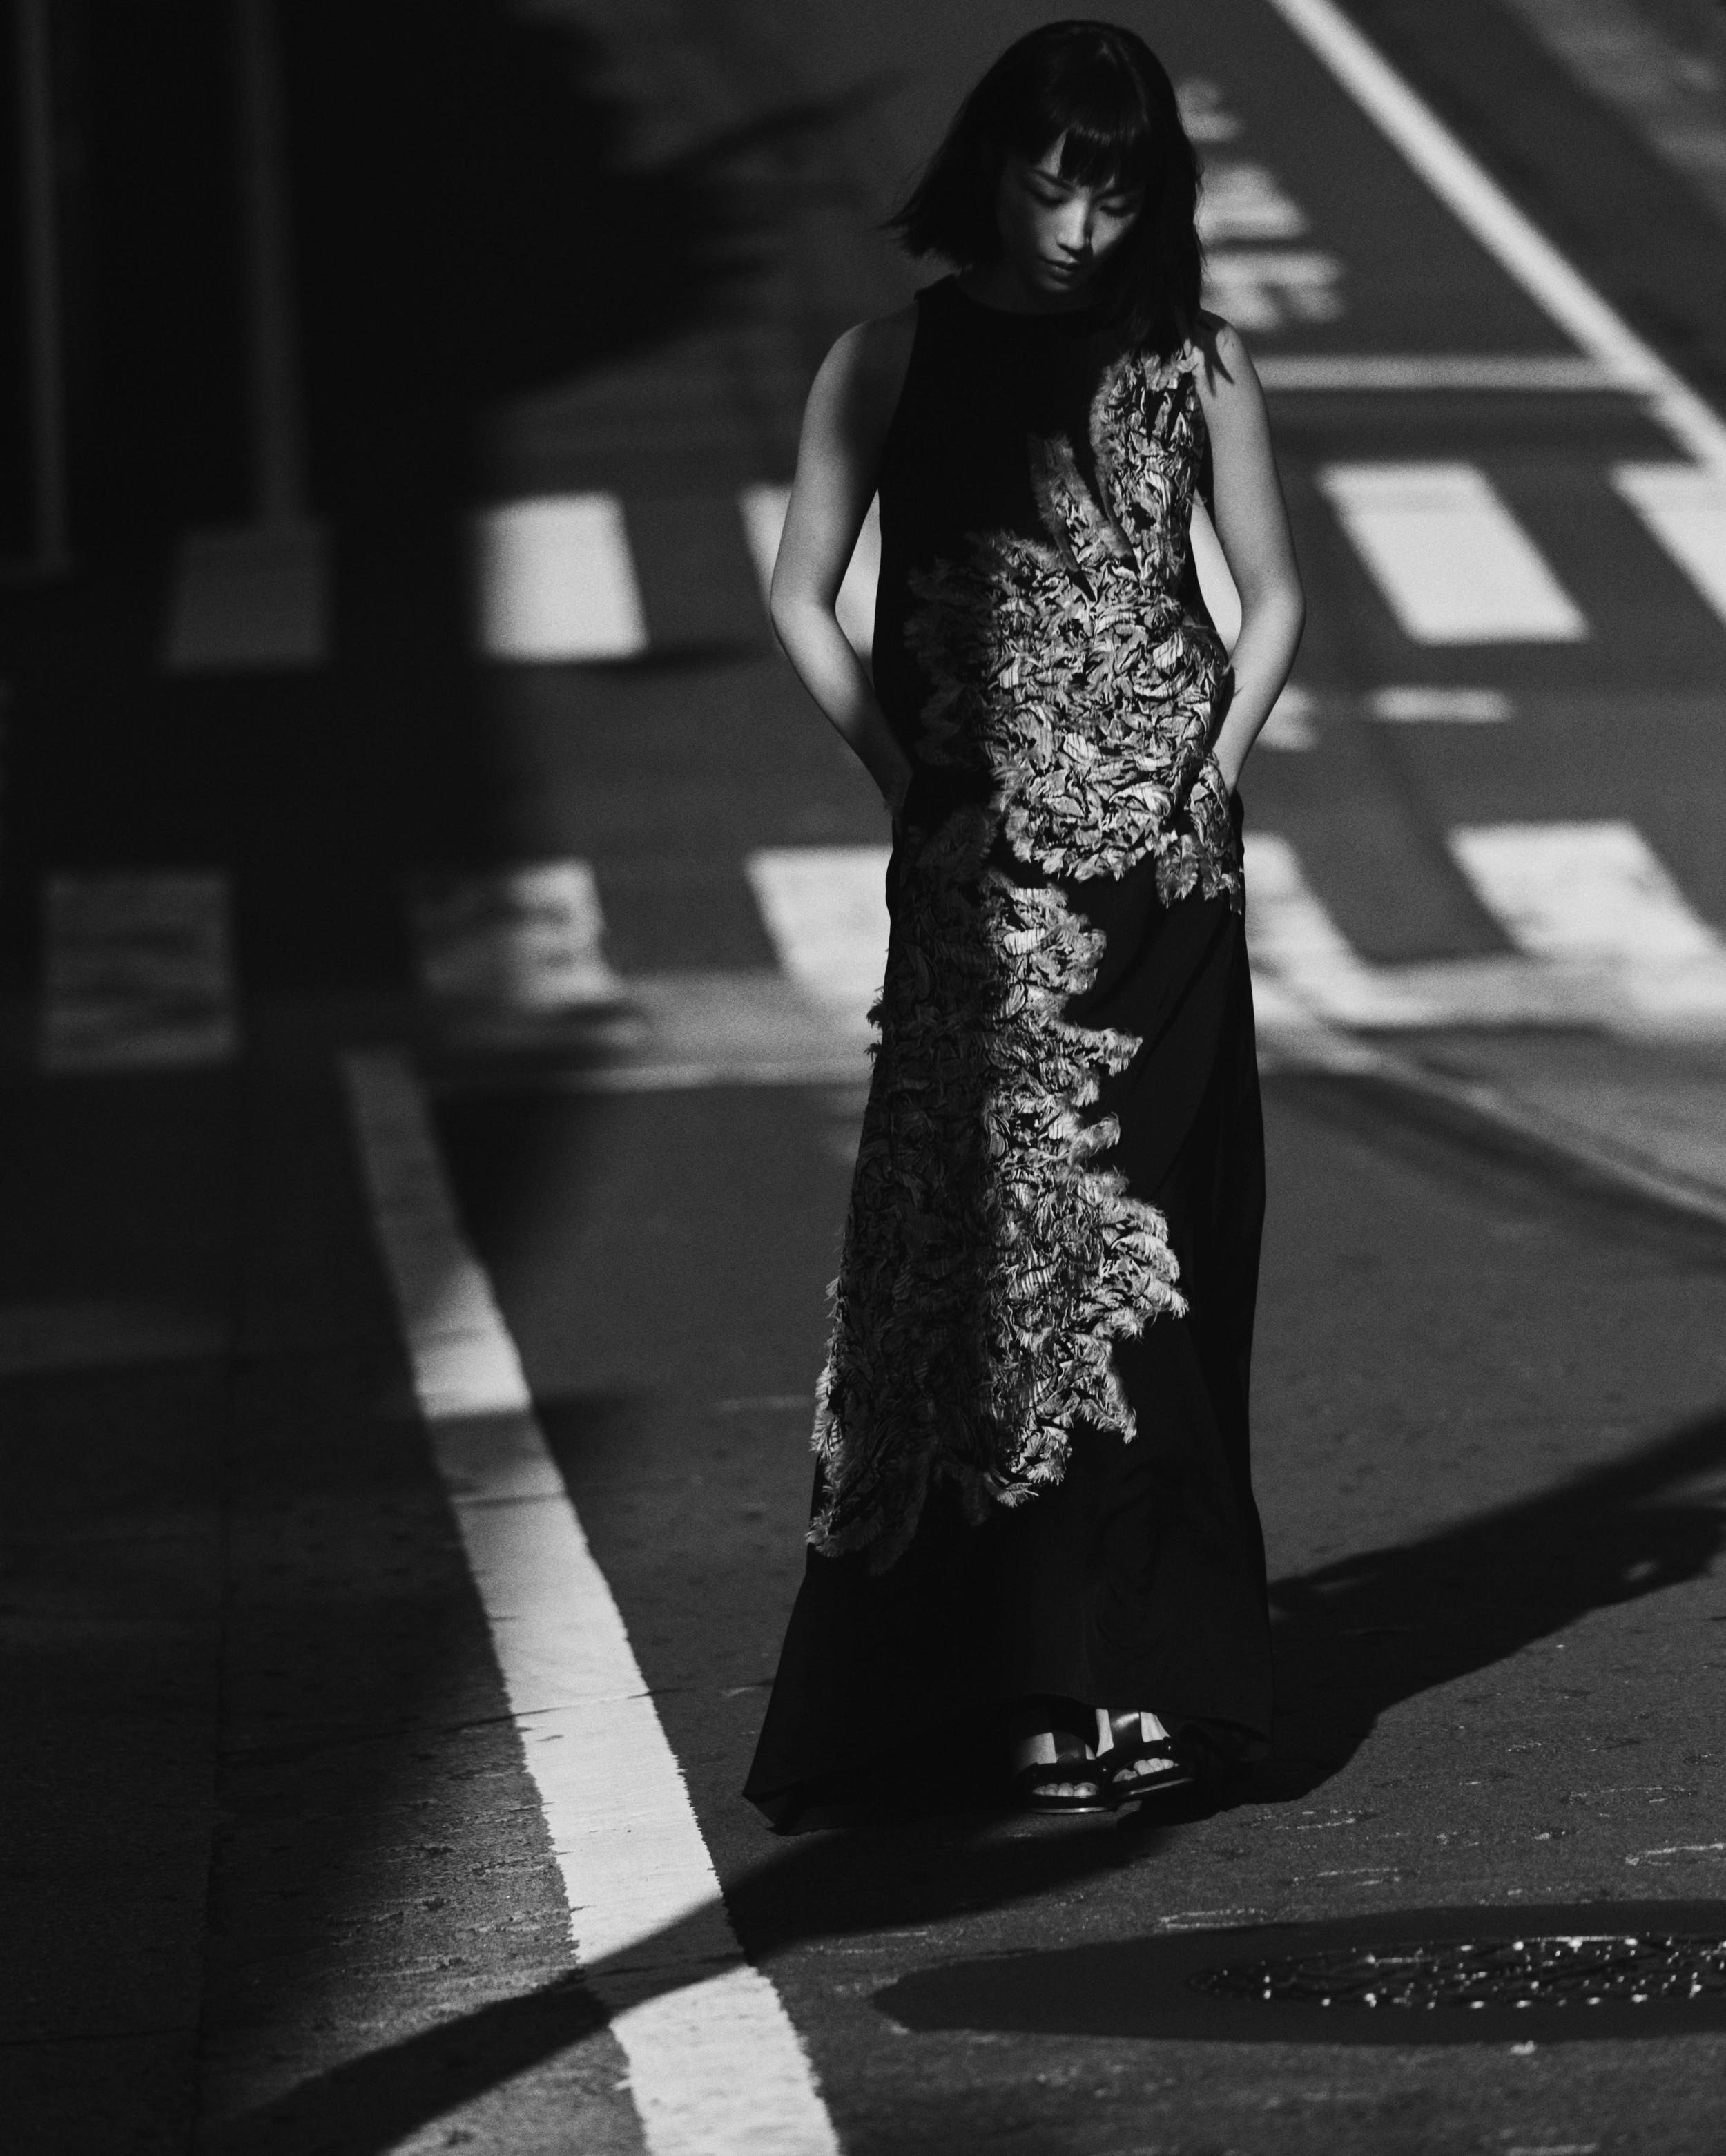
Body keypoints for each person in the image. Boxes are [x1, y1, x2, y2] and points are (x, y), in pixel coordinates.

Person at [745, 19, 1304, 1825]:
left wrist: (1211, 772)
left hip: (1162, 885)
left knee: (1150, 1275)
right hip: (979, 894)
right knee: (974, 1284)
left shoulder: (1192, 361)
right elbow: (801, 597)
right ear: (991, 165)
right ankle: (998, 1679)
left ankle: (1138, 1672)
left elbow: (1272, 595)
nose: (1078, 219)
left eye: (1115, 186)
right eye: (1052, 177)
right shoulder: (889, 355)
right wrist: (908, 779)